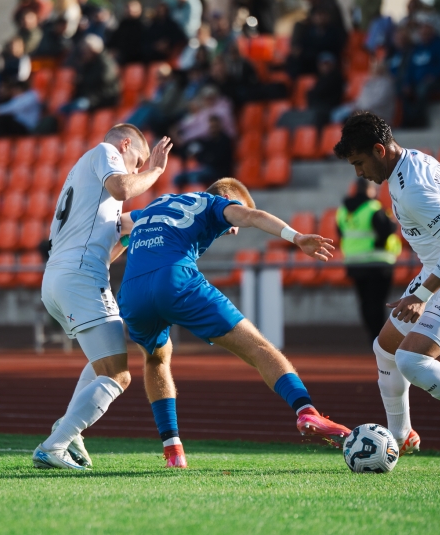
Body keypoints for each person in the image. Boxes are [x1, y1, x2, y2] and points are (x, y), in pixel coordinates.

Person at [117, 178, 350, 467]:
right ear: (229, 197)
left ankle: (173, 451)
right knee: (259, 348)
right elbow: (252, 216)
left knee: (155, 360)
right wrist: (297, 237)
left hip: (132, 292)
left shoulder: (154, 205)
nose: (235, 230)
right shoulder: (213, 203)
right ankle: (306, 411)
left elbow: (116, 225)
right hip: (174, 279)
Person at [333, 111, 440, 465]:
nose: (359, 173)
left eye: (359, 163)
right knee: (385, 349)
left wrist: (422, 295)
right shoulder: (414, 160)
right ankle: (400, 435)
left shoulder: (413, 188)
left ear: (379, 150)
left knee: (411, 360)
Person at [33, 125, 172, 470]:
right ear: (125, 145)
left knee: (103, 362)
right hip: (80, 277)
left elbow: (111, 243)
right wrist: (156, 171)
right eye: (136, 162)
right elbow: (122, 185)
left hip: (60, 278)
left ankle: (69, 431)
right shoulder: (105, 152)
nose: (136, 170)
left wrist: (129, 235)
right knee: (118, 375)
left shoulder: (86, 179)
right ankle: (54, 445)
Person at [337, 178, 400, 342]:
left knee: (365, 302)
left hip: (354, 263)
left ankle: (373, 336)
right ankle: (380, 338)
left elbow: (340, 233)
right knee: (378, 303)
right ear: (369, 190)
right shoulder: (373, 208)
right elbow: (387, 230)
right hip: (377, 263)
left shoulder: (343, 210)